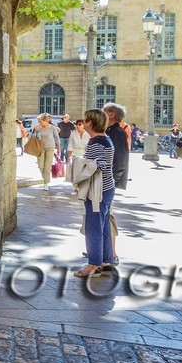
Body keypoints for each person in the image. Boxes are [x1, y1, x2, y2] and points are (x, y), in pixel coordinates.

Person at [71, 110, 117, 277]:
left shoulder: (96, 142)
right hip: (107, 188)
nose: (83, 121)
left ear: (91, 123)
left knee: (93, 227)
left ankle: (93, 265)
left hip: (98, 190)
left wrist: (81, 164)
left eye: (86, 119)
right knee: (103, 226)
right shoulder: (106, 139)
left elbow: (101, 164)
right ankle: (105, 262)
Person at [102, 103, 130, 190]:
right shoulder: (109, 131)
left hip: (107, 182)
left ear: (111, 114)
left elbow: (120, 160)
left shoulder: (118, 133)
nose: (101, 114)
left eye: (103, 111)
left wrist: (110, 181)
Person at [31, 113, 60, 188]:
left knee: (47, 166)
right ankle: (45, 179)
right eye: (39, 122)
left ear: (46, 121)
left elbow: (57, 138)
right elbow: (32, 138)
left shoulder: (52, 128)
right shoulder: (38, 128)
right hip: (40, 148)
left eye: (41, 122)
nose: (39, 123)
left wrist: (59, 148)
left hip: (50, 148)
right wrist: (34, 131)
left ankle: (45, 183)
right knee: (40, 166)